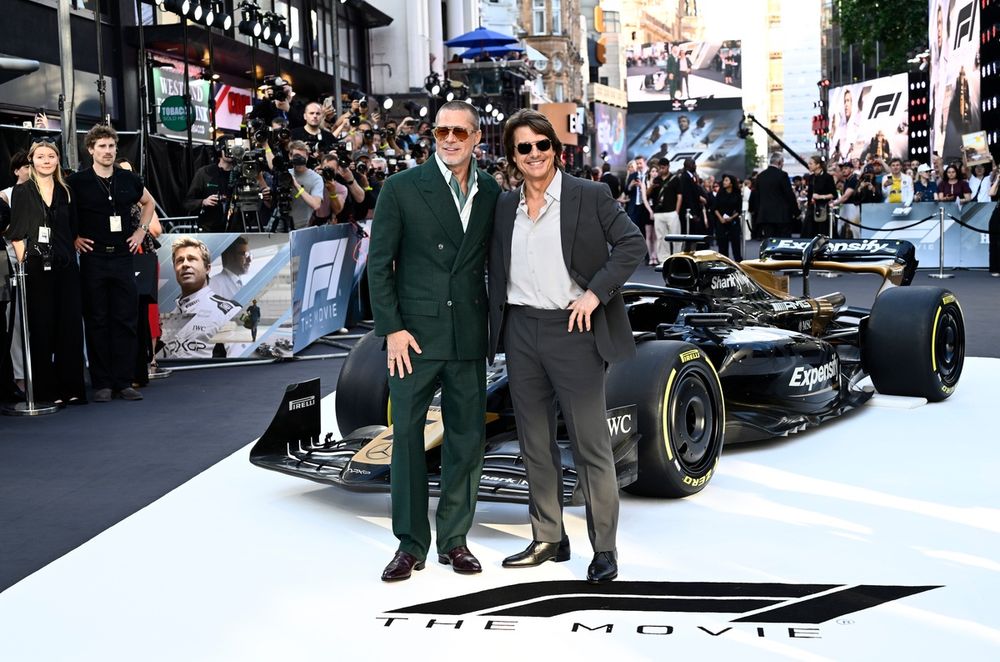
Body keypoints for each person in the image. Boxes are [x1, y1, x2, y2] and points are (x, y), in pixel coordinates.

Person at [487, 108, 645, 584]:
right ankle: (549, 538)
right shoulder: (504, 206)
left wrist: (596, 293)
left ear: (556, 150)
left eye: (542, 144)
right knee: (535, 443)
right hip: (520, 330)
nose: (534, 154)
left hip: (575, 329)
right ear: (513, 156)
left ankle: (605, 548)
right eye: (524, 147)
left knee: (589, 444)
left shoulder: (589, 194)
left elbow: (631, 244)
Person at [367, 100, 501, 582]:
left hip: (468, 334)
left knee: (466, 440)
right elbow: (378, 265)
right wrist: (392, 329)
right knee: (406, 437)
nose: (449, 139)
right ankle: (409, 543)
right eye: (442, 131)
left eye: (460, 132)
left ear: (476, 138)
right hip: (414, 338)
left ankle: (454, 540)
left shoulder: (491, 191)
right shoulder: (401, 188)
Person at [69, 125, 156, 403]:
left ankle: (124, 381)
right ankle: (103, 383)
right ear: (91, 149)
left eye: (111, 146)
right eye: (102, 146)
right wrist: (74, 238)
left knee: (125, 319)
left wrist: (141, 231)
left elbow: (149, 203)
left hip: (122, 257)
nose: (107, 151)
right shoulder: (77, 182)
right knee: (96, 320)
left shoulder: (129, 178)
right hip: (93, 258)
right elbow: (63, 213)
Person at [3, 140, 86, 405]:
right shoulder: (22, 192)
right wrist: (24, 263)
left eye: (51, 156)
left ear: (58, 160)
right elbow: (16, 233)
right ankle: (46, 392)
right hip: (36, 268)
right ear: (31, 160)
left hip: (66, 266)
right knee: (41, 328)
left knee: (69, 327)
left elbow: (74, 229)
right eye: (40, 156)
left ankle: (71, 388)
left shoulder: (67, 191)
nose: (46, 160)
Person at [158, 237, 241, 359]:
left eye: (192, 259)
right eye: (180, 260)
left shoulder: (229, 312)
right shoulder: (167, 319)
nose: (185, 264)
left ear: (207, 268)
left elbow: (239, 365)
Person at [184, 141, 234, 232]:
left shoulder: (242, 173)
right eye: (227, 149)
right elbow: (188, 202)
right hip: (209, 229)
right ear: (219, 151)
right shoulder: (205, 173)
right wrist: (203, 202)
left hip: (236, 228)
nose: (230, 152)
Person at [749, 152, 798, 238]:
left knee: (770, 242)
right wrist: (796, 211)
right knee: (783, 242)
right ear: (779, 162)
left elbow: (757, 196)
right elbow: (789, 195)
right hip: (782, 216)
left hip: (765, 216)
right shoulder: (782, 175)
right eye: (782, 162)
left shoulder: (761, 176)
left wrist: (757, 212)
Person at [286, 140, 325, 230]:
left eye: (302, 157)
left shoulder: (316, 178)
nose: (299, 160)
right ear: (290, 156)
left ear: (307, 157)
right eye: (296, 157)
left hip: (301, 227)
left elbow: (316, 205)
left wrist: (296, 185)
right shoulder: (285, 174)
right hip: (280, 224)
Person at [651, 159, 681, 261]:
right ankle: (664, 259)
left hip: (672, 212)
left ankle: (677, 258)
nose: (661, 169)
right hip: (659, 212)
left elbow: (679, 196)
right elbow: (647, 194)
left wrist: (677, 211)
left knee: (676, 236)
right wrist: (651, 186)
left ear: (668, 166)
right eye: (660, 167)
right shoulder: (656, 180)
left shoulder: (675, 179)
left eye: (663, 167)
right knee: (661, 237)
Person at [804, 155, 836, 238]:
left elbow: (834, 194)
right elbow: (810, 194)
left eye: (811, 163)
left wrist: (821, 197)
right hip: (811, 209)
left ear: (818, 165)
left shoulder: (827, 177)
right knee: (808, 233)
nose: (809, 165)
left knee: (823, 233)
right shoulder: (811, 177)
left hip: (823, 209)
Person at [713, 174, 743, 260]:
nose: (724, 182)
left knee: (736, 245)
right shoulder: (720, 193)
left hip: (733, 222)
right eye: (724, 180)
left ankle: (738, 263)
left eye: (726, 180)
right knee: (722, 247)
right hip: (721, 222)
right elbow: (715, 208)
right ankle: (724, 264)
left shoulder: (737, 194)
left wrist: (731, 218)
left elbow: (739, 210)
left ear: (731, 183)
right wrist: (721, 219)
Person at [833, 161, 860, 238]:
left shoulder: (853, 179)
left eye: (846, 168)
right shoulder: (847, 180)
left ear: (851, 169)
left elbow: (846, 196)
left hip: (853, 206)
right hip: (845, 205)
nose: (843, 170)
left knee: (854, 228)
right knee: (840, 226)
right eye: (842, 169)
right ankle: (839, 241)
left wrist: (834, 203)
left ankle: (858, 243)